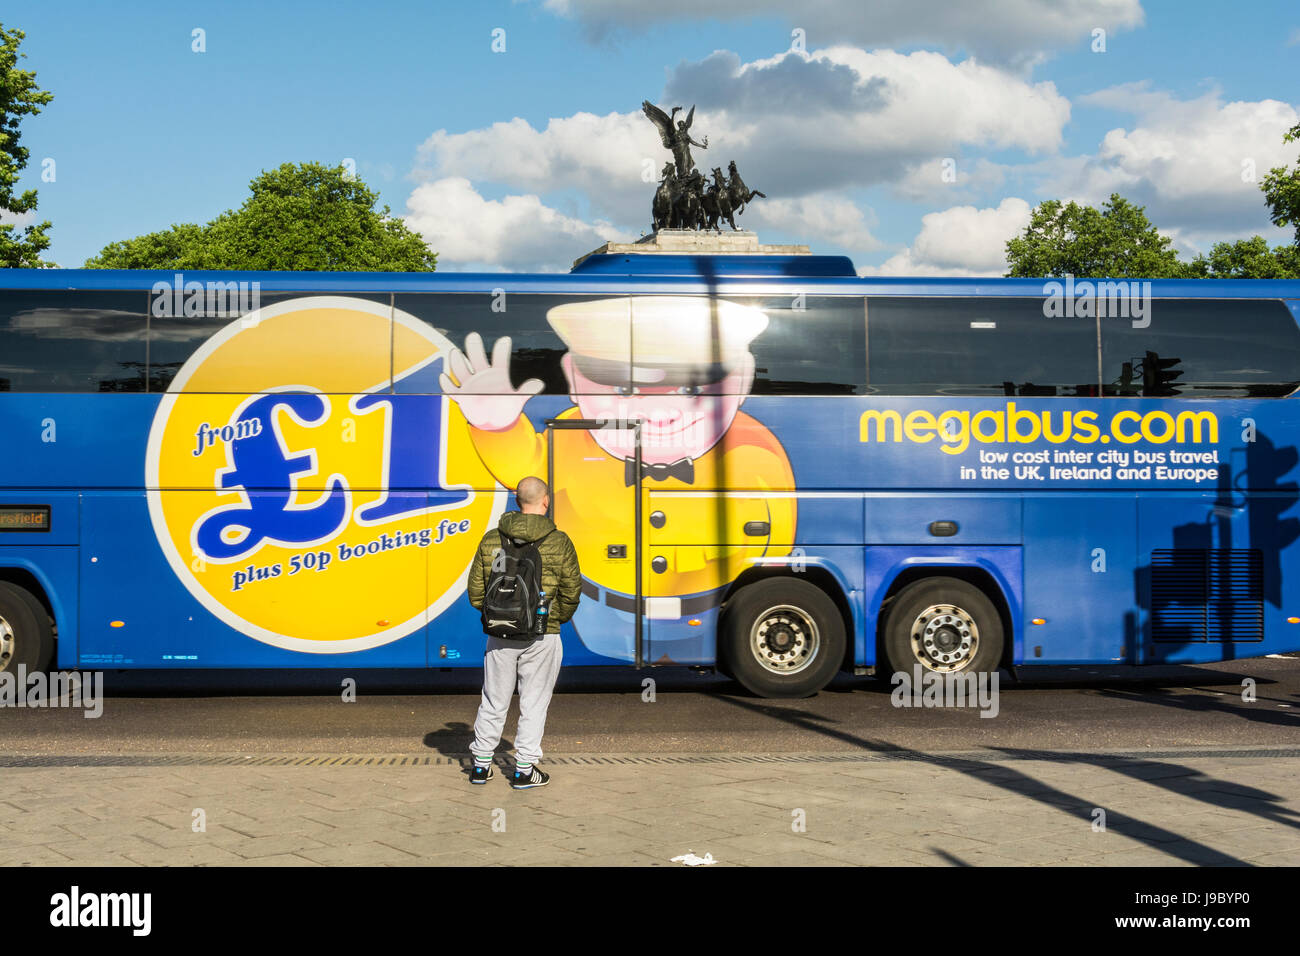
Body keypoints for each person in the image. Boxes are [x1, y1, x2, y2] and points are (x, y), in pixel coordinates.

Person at [466, 475, 581, 788]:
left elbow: (476, 590)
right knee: (533, 703)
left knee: (493, 699)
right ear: (545, 501)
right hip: (544, 634)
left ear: (517, 502)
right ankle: (524, 770)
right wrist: (555, 619)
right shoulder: (559, 541)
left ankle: (480, 765)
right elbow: (572, 590)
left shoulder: (492, 539)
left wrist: (496, 616)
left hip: (499, 634)